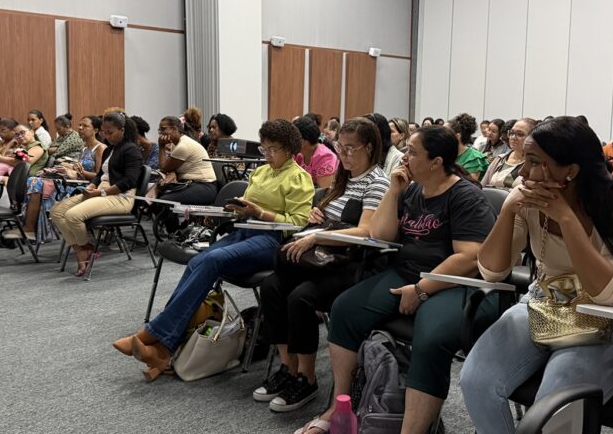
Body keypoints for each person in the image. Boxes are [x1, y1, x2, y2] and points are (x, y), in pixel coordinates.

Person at [295, 125, 497, 434]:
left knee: (430, 338)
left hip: (454, 283)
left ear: (436, 162)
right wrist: (393, 191)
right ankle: (339, 406)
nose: (404, 156)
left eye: (413, 152)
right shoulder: (413, 190)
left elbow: (470, 257)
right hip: (405, 272)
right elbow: (381, 234)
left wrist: (421, 288)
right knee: (345, 308)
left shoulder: (465, 196)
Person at [460, 116, 613, 434]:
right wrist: (509, 209)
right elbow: (491, 271)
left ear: (570, 170)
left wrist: (566, 220)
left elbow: (608, 292)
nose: (523, 172)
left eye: (534, 162)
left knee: (552, 410)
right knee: (475, 381)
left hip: (604, 321)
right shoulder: (527, 200)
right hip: (542, 304)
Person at [112, 119, 314, 381]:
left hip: (272, 240)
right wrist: (233, 209)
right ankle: (162, 348)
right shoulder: (261, 172)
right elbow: (247, 205)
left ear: (289, 149)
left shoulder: (300, 178)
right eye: (264, 149)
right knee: (199, 261)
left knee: (212, 260)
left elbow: (298, 223)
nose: (268, 155)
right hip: (245, 230)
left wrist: (260, 213)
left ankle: (152, 337)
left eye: (273, 149)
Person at [256, 118, 390, 412]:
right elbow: (331, 217)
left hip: (351, 263)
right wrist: (317, 216)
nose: (343, 154)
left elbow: (366, 231)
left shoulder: (378, 182)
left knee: (300, 297)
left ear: (369, 147)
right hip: (324, 258)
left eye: (350, 148)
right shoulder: (345, 177)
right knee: (271, 287)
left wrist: (319, 234)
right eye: (340, 147)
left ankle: (307, 378)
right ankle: (289, 369)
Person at [50, 112, 142, 276]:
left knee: (72, 215)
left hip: (121, 196)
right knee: (56, 212)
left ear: (122, 130)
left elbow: (129, 182)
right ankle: (82, 248)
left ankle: (84, 250)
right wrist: (93, 186)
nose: (106, 136)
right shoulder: (110, 149)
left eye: (110, 132)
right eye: (104, 132)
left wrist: (101, 192)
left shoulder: (131, 150)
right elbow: (100, 175)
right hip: (103, 191)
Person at [0, 124, 49, 241]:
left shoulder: (37, 147)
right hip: (22, 181)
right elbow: (5, 155)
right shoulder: (23, 147)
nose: (19, 136)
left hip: (30, 182)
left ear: (32, 132)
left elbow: (25, 161)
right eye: (16, 134)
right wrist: (12, 143)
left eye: (22, 133)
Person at [156, 115, 217, 205]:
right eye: (160, 130)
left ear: (174, 129)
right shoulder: (177, 144)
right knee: (160, 196)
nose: (161, 133)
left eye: (163, 129)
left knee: (164, 201)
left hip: (204, 187)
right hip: (192, 184)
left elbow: (163, 168)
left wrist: (161, 146)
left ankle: (172, 220)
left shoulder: (183, 146)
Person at [481, 118, 537, 189]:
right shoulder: (499, 159)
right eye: (512, 133)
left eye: (520, 134)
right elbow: (482, 187)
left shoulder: (535, 164)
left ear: (532, 138)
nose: (513, 137)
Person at [294, 117, 338, 189]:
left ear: (303, 142)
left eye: (293, 139)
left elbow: (323, 193)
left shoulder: (326, 157)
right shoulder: (298, 155)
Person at [59, 115, 105, 182]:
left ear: (95, 130)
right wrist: (70, 166)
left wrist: (77, 171)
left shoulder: (100, 148)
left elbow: (99, 176)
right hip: (80, 181)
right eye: (80, 125)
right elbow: (79, 167)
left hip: (91, 186)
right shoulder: (84, 147)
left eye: (85, 126)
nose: (80, 128)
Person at [447, 112, 489, 181]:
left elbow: (468, 186)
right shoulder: (445, 154)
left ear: (457, 136)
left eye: (445, 132)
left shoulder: (474, 158)